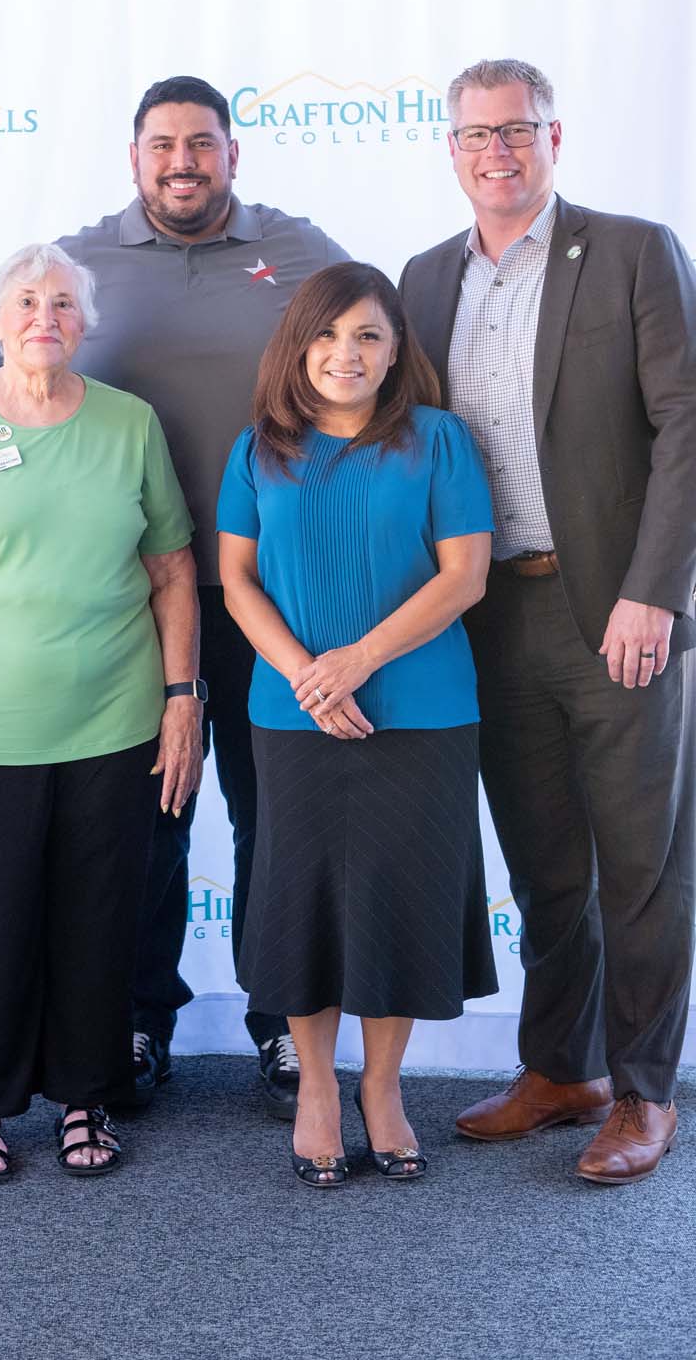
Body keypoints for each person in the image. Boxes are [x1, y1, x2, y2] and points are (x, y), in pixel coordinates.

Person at [0, 76, 348, 1115]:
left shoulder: (300, 250)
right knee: (146, 822)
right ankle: (134, 1020)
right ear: (134, 159)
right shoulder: (81, 264)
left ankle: (282, 1025)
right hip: (133, 601)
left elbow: (377, 358)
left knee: (275, 816)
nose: (182, 162)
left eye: (201, 143)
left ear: (232, 154)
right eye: (162, 145)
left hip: (279, 597)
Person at [399, 57, 696, 1186]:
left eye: (517, 129)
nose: (498, 150)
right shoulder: (427, 277)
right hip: (488, 615)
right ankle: (562, 1070)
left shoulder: (631, 251)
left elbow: (686, 425)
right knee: (545, 867)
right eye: (476, 134)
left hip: (615, 609)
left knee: (641, 865)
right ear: (452, 150)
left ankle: (645, 1090)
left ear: (553, 138)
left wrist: (654, 589)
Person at [0, 242, 200, 1178]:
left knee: (100, 918)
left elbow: (173, 570)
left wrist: (183, 698)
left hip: (117, 722)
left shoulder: (130, 424)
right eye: (23, 301)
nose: (42, 317)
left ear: (84, 323)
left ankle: (87, 1097)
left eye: (61, 302)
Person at [217, 261, 497, 1186]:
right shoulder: (258, 447)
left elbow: (465, 576)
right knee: (301, 903)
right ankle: (316, 1089)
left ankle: (382, 1086)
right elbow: (237, 581)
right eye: (329, 334)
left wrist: (358, 661)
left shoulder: (439, 439)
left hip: (422, 712)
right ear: (297, 346)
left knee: (398, 900)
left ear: (395, 349)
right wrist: (310, 676)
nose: (348, 353)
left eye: (369, 335)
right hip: (293, 713)